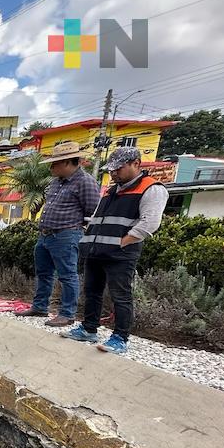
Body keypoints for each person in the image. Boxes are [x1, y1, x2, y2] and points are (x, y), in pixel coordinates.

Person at [61, 147, 169, 355]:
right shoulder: (112, 191)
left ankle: (120, 337)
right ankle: (89, 328)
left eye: (118, 169)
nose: (114, 173)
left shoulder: (151, 188)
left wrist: (122, 242)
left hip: (120, 253)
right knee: (92, 291)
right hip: (96, 250)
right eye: (111, 170)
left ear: (136, 164)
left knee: (120, 295)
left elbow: (149, 223)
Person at [14, 141, 100, 328]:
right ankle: (39, 306)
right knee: (43, 272)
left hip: (66, 235)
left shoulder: (85, 182)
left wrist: (78, 230)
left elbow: (93, 211)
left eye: (55, 163)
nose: (52, 167)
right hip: (45, 235)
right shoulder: (55, 182)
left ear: (69, 162)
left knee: (67, 275)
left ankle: (67, 313)